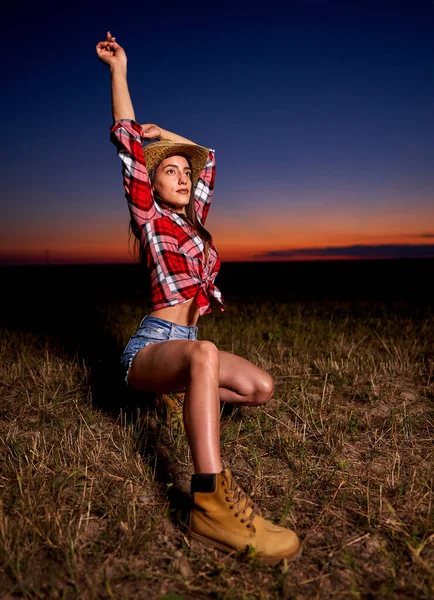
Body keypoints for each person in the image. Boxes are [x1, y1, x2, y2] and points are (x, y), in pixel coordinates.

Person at [96, 31, 301, 563]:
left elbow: (209, 160)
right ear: (151, 183)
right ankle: (209, 501)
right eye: (170, 170)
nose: (183, 176)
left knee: (260, 388)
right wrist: (120, 73)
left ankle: (185, 397)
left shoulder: (194, 225)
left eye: (183, 173)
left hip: (184, 344)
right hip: (152, 346)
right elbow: (126, 138)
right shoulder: (149, 217)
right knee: (204, 355)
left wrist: (173, 138)